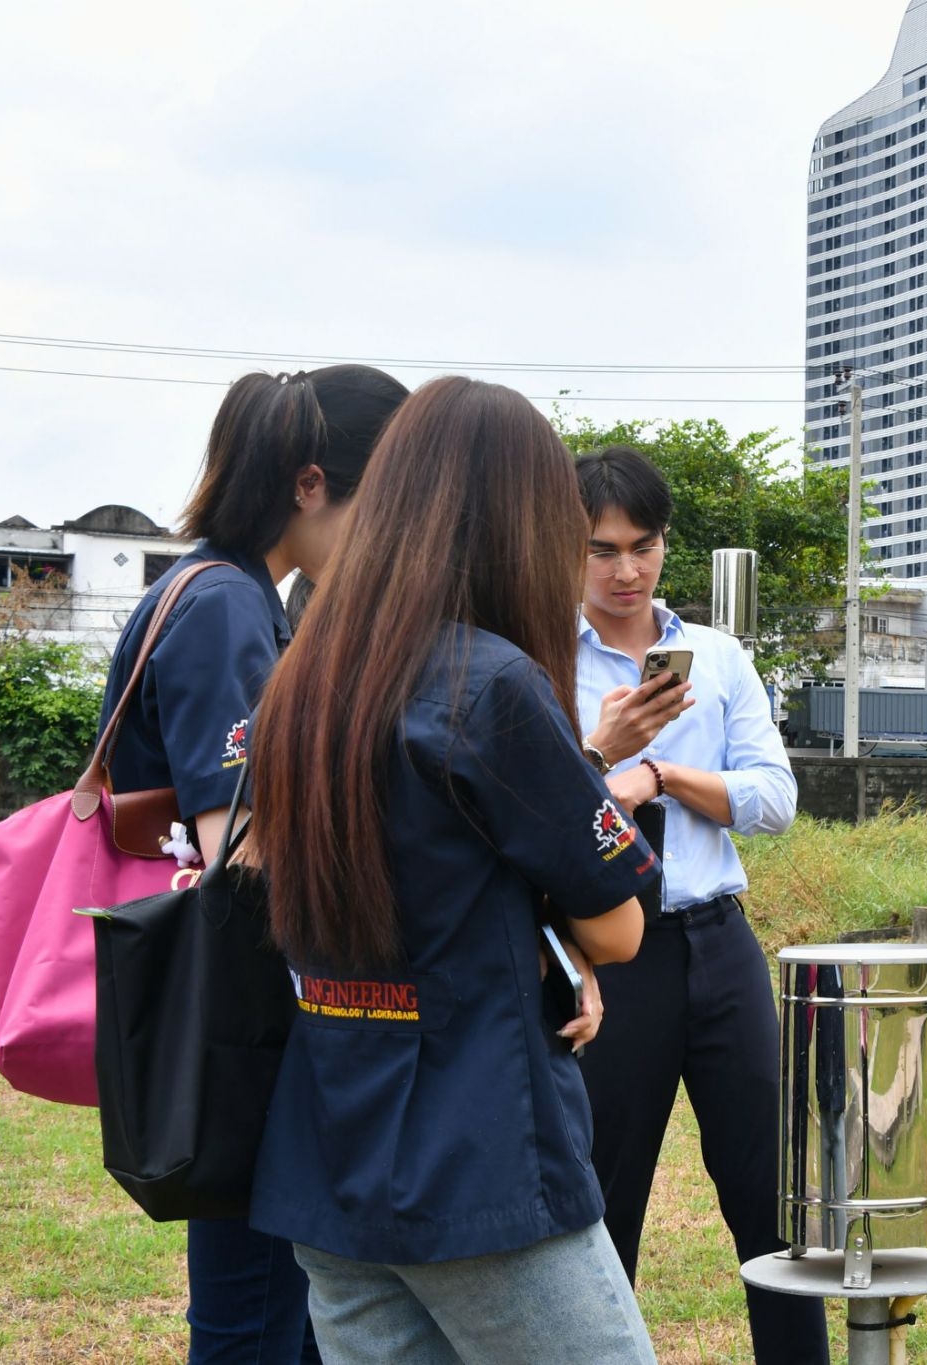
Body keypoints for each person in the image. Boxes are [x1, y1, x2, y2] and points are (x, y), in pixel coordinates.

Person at [246, 377, 661, 1363]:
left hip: (328, 1153)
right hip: (479, 1159)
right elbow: (618, 928)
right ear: (520, 525)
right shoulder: (492, 684)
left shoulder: (301, 678)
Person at [95, 363, 406, 1364]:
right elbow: (242, 847)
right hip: (243, 1019)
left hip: (224, 1013)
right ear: (310, 484)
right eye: (379, 501)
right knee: (257, 1319)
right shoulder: (227, 606)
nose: (386, 532)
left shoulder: (215, 590)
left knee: (270, 1313)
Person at [570, 444, 827, 1364]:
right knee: (604, 1201)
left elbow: (775, 797)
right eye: (603, 549)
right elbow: (536, 809)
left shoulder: (717, 657)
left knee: (773, 1199)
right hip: (609, 952)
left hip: (719, 941)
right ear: (568, 548)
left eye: (643, 546)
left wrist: (665, 775)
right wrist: (603, 756)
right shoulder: (542, 657)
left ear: (665, 544)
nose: (626, 570)